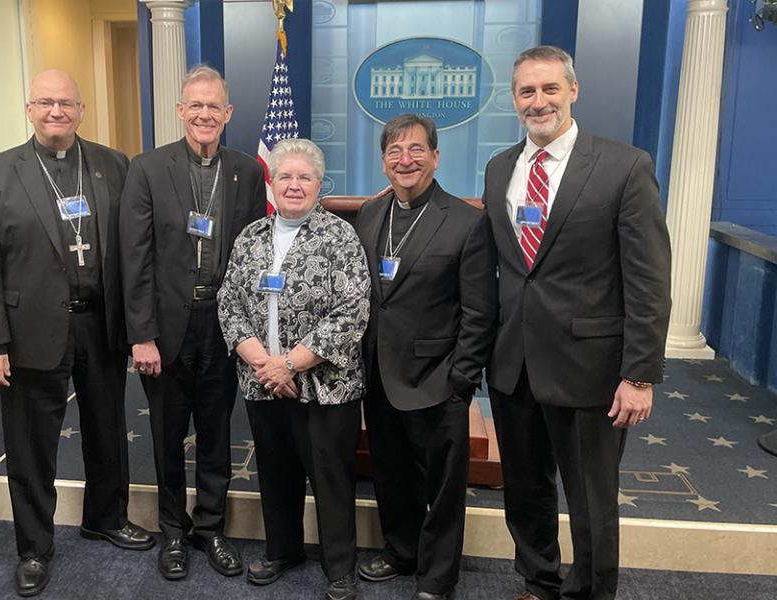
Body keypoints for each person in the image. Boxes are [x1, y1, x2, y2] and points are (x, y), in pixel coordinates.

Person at [482, 46, 672, 600]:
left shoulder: (624, 166)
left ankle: (589, 592)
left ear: (573, 91)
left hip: (591, 368)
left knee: (591, 497)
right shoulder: (500, 169)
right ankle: (538, 581)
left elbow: (649, 279)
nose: (538, 102)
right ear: (514, 99)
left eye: (549, 89)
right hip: (514, 364)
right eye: (526, 92)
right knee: (525, 489)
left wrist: (640, 374)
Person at [0, 69, 153, 598]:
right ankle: (33, 547)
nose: (56, 112)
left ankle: (105, 517)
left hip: (100, 322)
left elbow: (133, 248)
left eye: (66, 103)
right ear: (29, 109)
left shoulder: (114, 165)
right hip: (29, 331)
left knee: (107, 428)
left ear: (81, 109)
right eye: (46, 102)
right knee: (31, 443)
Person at [119, 65, 266, 580]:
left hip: (222, 326)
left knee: (216, 430)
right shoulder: (147, 169)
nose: (204, 115)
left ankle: (211, 528)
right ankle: (173, 533)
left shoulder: (247, 171)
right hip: (165, 330)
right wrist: (141, 335)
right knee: (165, 433)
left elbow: (252, 255)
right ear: (180, 111)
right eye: (195, 105)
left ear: (227, 115)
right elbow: (133, 258)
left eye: (214, 107)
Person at [217, 138, 370, 600]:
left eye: (305, 177)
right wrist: (264, 365)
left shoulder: (340, 236)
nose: (295, 185)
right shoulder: (251, 236)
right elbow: (229, 302)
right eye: (286, 176)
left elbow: (352, 309)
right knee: (275, 470)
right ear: (272, 180)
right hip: (264, 383)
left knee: (330, 476)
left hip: (325, 387)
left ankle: (339, 564)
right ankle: (282, 549)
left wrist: (289, 364)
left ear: (320, 185)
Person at [354, 114, 498, 600]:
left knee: (443, 487)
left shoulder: (466, 221)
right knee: (391, 472)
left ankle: (438, 575)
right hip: (379, 374)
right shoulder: (372, 215)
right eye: (395, 151)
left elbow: (480, 310)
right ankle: (402, 551)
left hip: (438, 378)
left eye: (416, 150)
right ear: (383, 161)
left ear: (436, 157)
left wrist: (461, 378)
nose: (405, 159)